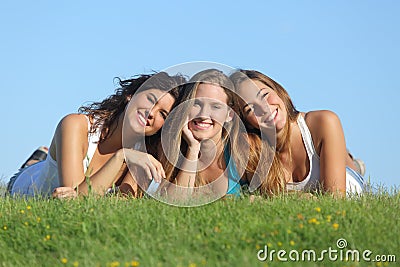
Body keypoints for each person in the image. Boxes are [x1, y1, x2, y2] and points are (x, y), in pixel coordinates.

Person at [7, 72, 186, 198]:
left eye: (163, 114)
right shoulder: (76, 124)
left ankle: (43, 157)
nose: (152, 113)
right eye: (150, 99)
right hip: (27, 186)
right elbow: (75, 201)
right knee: (35, 168)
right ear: (131, 95)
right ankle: (35, 161)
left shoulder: (144, 157)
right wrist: (121, 157)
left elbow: (121, 206)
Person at [230, 69, 365, 196]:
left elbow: (334, 198)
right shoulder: (252, 151)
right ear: (246, 122)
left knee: (341, 158)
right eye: (250, 109)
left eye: (264, 95)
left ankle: (352, 162)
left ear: (277, 90)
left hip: (348, 176)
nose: (264, 108)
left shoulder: (324, 121)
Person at [160, 69, 248, 203]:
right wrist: (193, 149)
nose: (203, 115)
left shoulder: (242, 150)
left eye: (216, 107)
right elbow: (173, 204)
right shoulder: (170, 151)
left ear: (229, 115)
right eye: (196, 104)